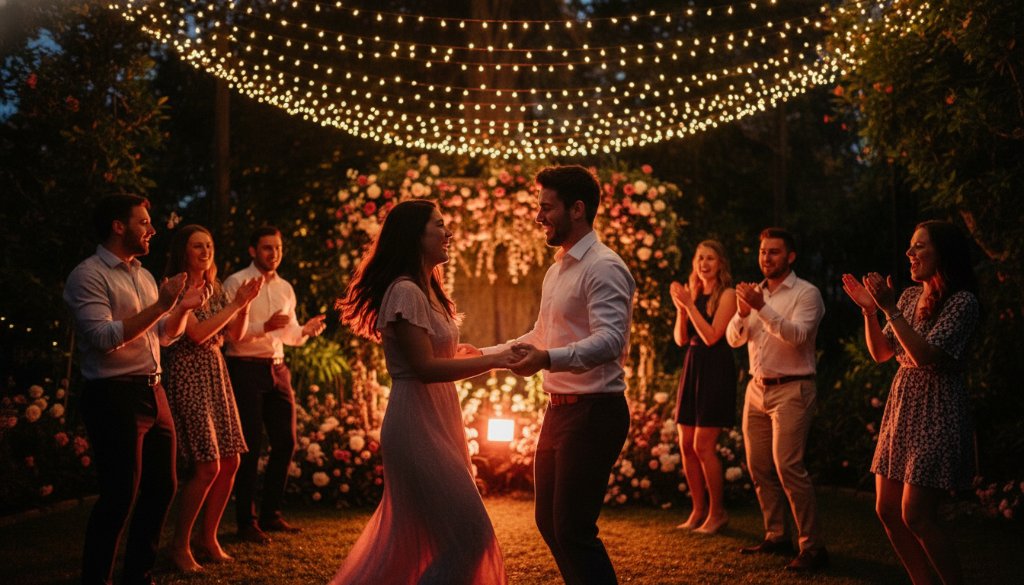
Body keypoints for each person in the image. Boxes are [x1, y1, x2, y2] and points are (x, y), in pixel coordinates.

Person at [332, 199, 515, 584]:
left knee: (450, 538)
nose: (449, 233)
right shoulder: (405, 292)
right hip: (415, 424)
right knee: (471, 535)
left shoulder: (428, 289)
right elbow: (424, 368)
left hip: (440, 417)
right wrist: (496, 360)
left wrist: (469, 354)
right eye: (439, 225)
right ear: (415, 235)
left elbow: (434, 358)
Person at [481, 165, 636, 585]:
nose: (539, 217)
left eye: (547, 208)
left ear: (577, 209)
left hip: (594, 412)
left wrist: (547, 359)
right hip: (559, 412)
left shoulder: (604, 266)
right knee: (550, 524)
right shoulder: (558, 269)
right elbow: (540, 334)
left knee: (572, 529)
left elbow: (610, 341)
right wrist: (483, 355)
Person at [64, 194, 210, 585]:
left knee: (163, 486)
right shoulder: (89, 275)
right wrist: (162, 305)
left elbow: (163, 336)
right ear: (118, 226)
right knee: (119, 496)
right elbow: (102, 338)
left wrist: (182, 308)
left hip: (153, 390)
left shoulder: (142, 275)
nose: (152, 230)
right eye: (143, 222)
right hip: (113, 395)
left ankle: (138, 575)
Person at [841, 220, 979, 585]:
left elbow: (925, 357)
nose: (909, 253)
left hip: (937, 409)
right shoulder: (906, 297)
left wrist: (889, 309)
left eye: (919, 246)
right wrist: (870, 311)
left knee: (916, 514)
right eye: (910, 246)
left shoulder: (962, 302)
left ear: (942, 252)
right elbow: (882, 353)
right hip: (902, 407)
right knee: (886, 509)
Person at [725, 227, 828, 572]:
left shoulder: (806, 294)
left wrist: (761, 308)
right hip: (757, 389)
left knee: (788, 467)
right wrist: (743, 312)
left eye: (774, 252)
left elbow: (798, 336)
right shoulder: (755, 293)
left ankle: (813, 547)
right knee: (759, 467)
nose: (766, 258)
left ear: (790, 256)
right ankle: (776, 535)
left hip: (793, 389)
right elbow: (734, 339)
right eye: (763, 252)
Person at [161, 224, 263, 571]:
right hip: (188, 374)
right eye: (197, 246)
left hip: (216, 373)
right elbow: (198, 334)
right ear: (183, 251)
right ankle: (179, 546)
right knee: (207, 466)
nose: (205, 252)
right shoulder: (175, 288)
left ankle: (208, 538)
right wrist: (236, 303)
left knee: (231, 461)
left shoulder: (214, 287)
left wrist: (244, 305)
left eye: (209, 245)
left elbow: (236, 334)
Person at [223, 226, 327, 543]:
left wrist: (305, 331)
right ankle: (246, 521)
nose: (274, 253)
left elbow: (288, 334)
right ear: (253, 250)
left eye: (278, 247)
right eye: (268, 247)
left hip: (278, 368)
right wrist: (264, 326)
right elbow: (230, 334)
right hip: (245, 368)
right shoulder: (236, 282)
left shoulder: (285, 288)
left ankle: (271, 514)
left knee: (286, 442)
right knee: (250, 446)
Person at [670, 240, 737, 534]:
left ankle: (717, 513)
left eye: (710, 258)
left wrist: (688, 305)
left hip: (716, 368)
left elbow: (711, 336)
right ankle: (697, 510)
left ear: (720, 263)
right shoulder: (694, 293)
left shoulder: (728, 295)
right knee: (685, 444)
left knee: (703, 445)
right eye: (700, 258)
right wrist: (682, 310)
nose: (704, 264)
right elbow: (680, 339)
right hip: (693, 365)